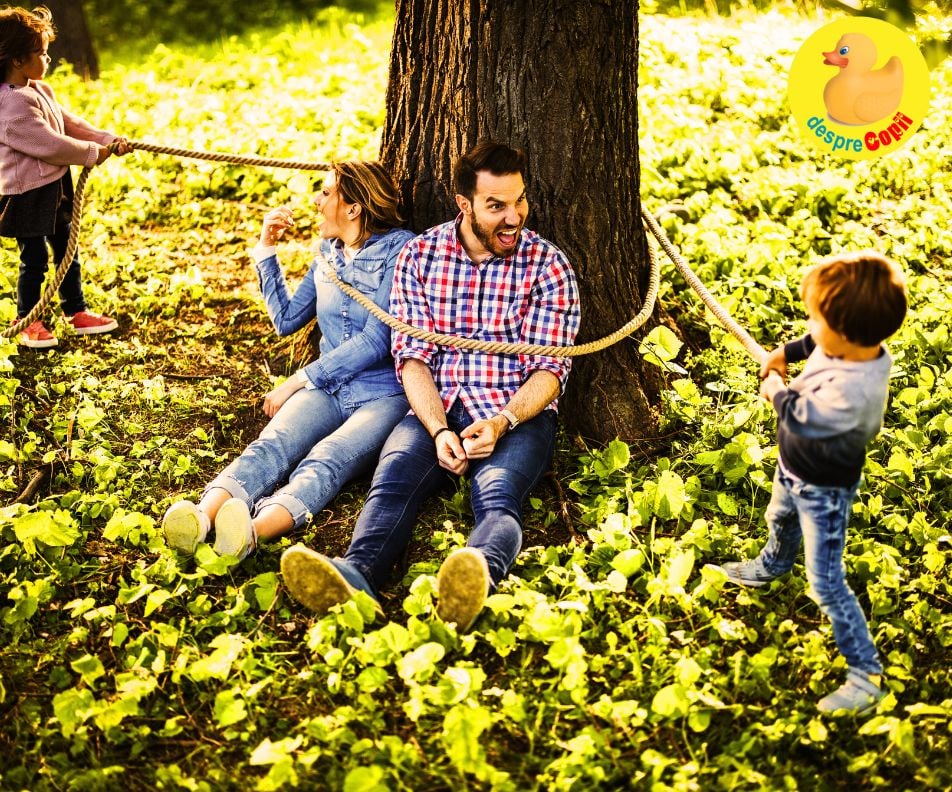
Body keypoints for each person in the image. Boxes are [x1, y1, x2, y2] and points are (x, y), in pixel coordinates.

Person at [280, 141, 581, 631]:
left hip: (513, 414)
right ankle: (357, 576)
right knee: (393, 480)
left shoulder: (548, 266)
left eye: (519, 201)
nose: (514, 218)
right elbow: (412, 359)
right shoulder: (421, 256)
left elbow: (550, 369)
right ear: (464, 204)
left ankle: (475, 575)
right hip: (433, 408)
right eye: (497, 206)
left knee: (498, 494)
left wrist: (502, 422)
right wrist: (439, 429)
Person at [162, 161, 413, 561]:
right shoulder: (327, 254)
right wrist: (266, 248)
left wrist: (298, 379)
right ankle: (201, 518)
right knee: (272, 445)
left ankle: (249, 534)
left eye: (327, 192)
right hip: (329, 388)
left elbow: (376, 340)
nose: (317, 201)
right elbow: (287, 320)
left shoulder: (401, 250)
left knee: (326, 460)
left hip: (383, 394)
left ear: (353, 208)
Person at [718, 251, 907, 715]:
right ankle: (773, 565)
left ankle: (866, 675)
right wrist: (786, 353)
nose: (810, 324)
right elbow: (814, 344)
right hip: (795, 469)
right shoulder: (851, 343)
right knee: (778, 518)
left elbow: (799, 417)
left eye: (816, 318)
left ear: (843, 333)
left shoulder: (856, 392)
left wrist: (775, 389)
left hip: (824, 490)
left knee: (826, 583)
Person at [0, 5, 132, 349]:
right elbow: (50, 144)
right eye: (41, 53)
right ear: (16, 59)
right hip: (26, 193)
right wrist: (92, 154)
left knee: (66, 248)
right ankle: (28, 318)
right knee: (35, 259)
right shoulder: (9, 106)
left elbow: (70, 124)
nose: (47, 59)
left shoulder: (40, 90)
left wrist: (106, 139)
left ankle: (76, 311)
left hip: (55, 184)